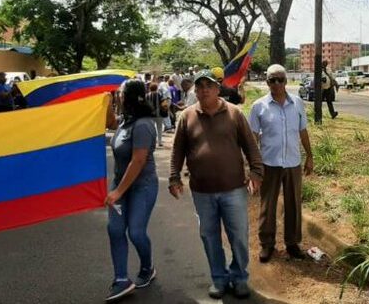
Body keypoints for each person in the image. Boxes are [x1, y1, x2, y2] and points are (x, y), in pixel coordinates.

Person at [169, 69, 264, 300]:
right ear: (195, 90)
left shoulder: (234, 113)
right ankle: (219, 279)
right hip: (202, 191)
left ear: (217, 89)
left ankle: (240, 277)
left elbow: (250, 146)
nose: (203, 90)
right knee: (209, 237)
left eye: (208, 86)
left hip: (233, 189)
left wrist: (256, 171)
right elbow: (177, 150)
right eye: (199, 87)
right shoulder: (187, 116)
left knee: (239, 236)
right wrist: (174, 177)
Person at [249, 64, 314, 263]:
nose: (276, 83)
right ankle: (267, 244)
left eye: (280, 79)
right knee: (268, 205)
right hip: (270, 163)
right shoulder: (259, 106)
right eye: (272, 80)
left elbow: (303, 131)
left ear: (286, 81)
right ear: (267, 82)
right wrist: (253, 166)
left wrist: (310, 156)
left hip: (293, 162)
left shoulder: (297, 103)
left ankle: (292, 243)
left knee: (293, 203)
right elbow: (253, 137)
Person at [104, 79, 159, 301]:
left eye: (120, 93)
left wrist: (117, 192)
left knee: (136, 232)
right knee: (115, 230)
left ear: (130, 96)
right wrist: (106, 101)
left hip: (142, 187)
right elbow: (108, 122)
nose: (118, 95)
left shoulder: (144, 124)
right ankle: (121, 280)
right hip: (120, 185)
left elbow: (138, 161)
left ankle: (147, 268)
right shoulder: (125, 121)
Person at [145, 83, 167, 147]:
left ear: (150, 88)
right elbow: (164, 104)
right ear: (156, 88)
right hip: (159, 114)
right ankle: (159, 142)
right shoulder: (160, 95)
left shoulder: (147, 95)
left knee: (151, 128)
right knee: (159, 128)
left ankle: (152, 142)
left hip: (150, 115)